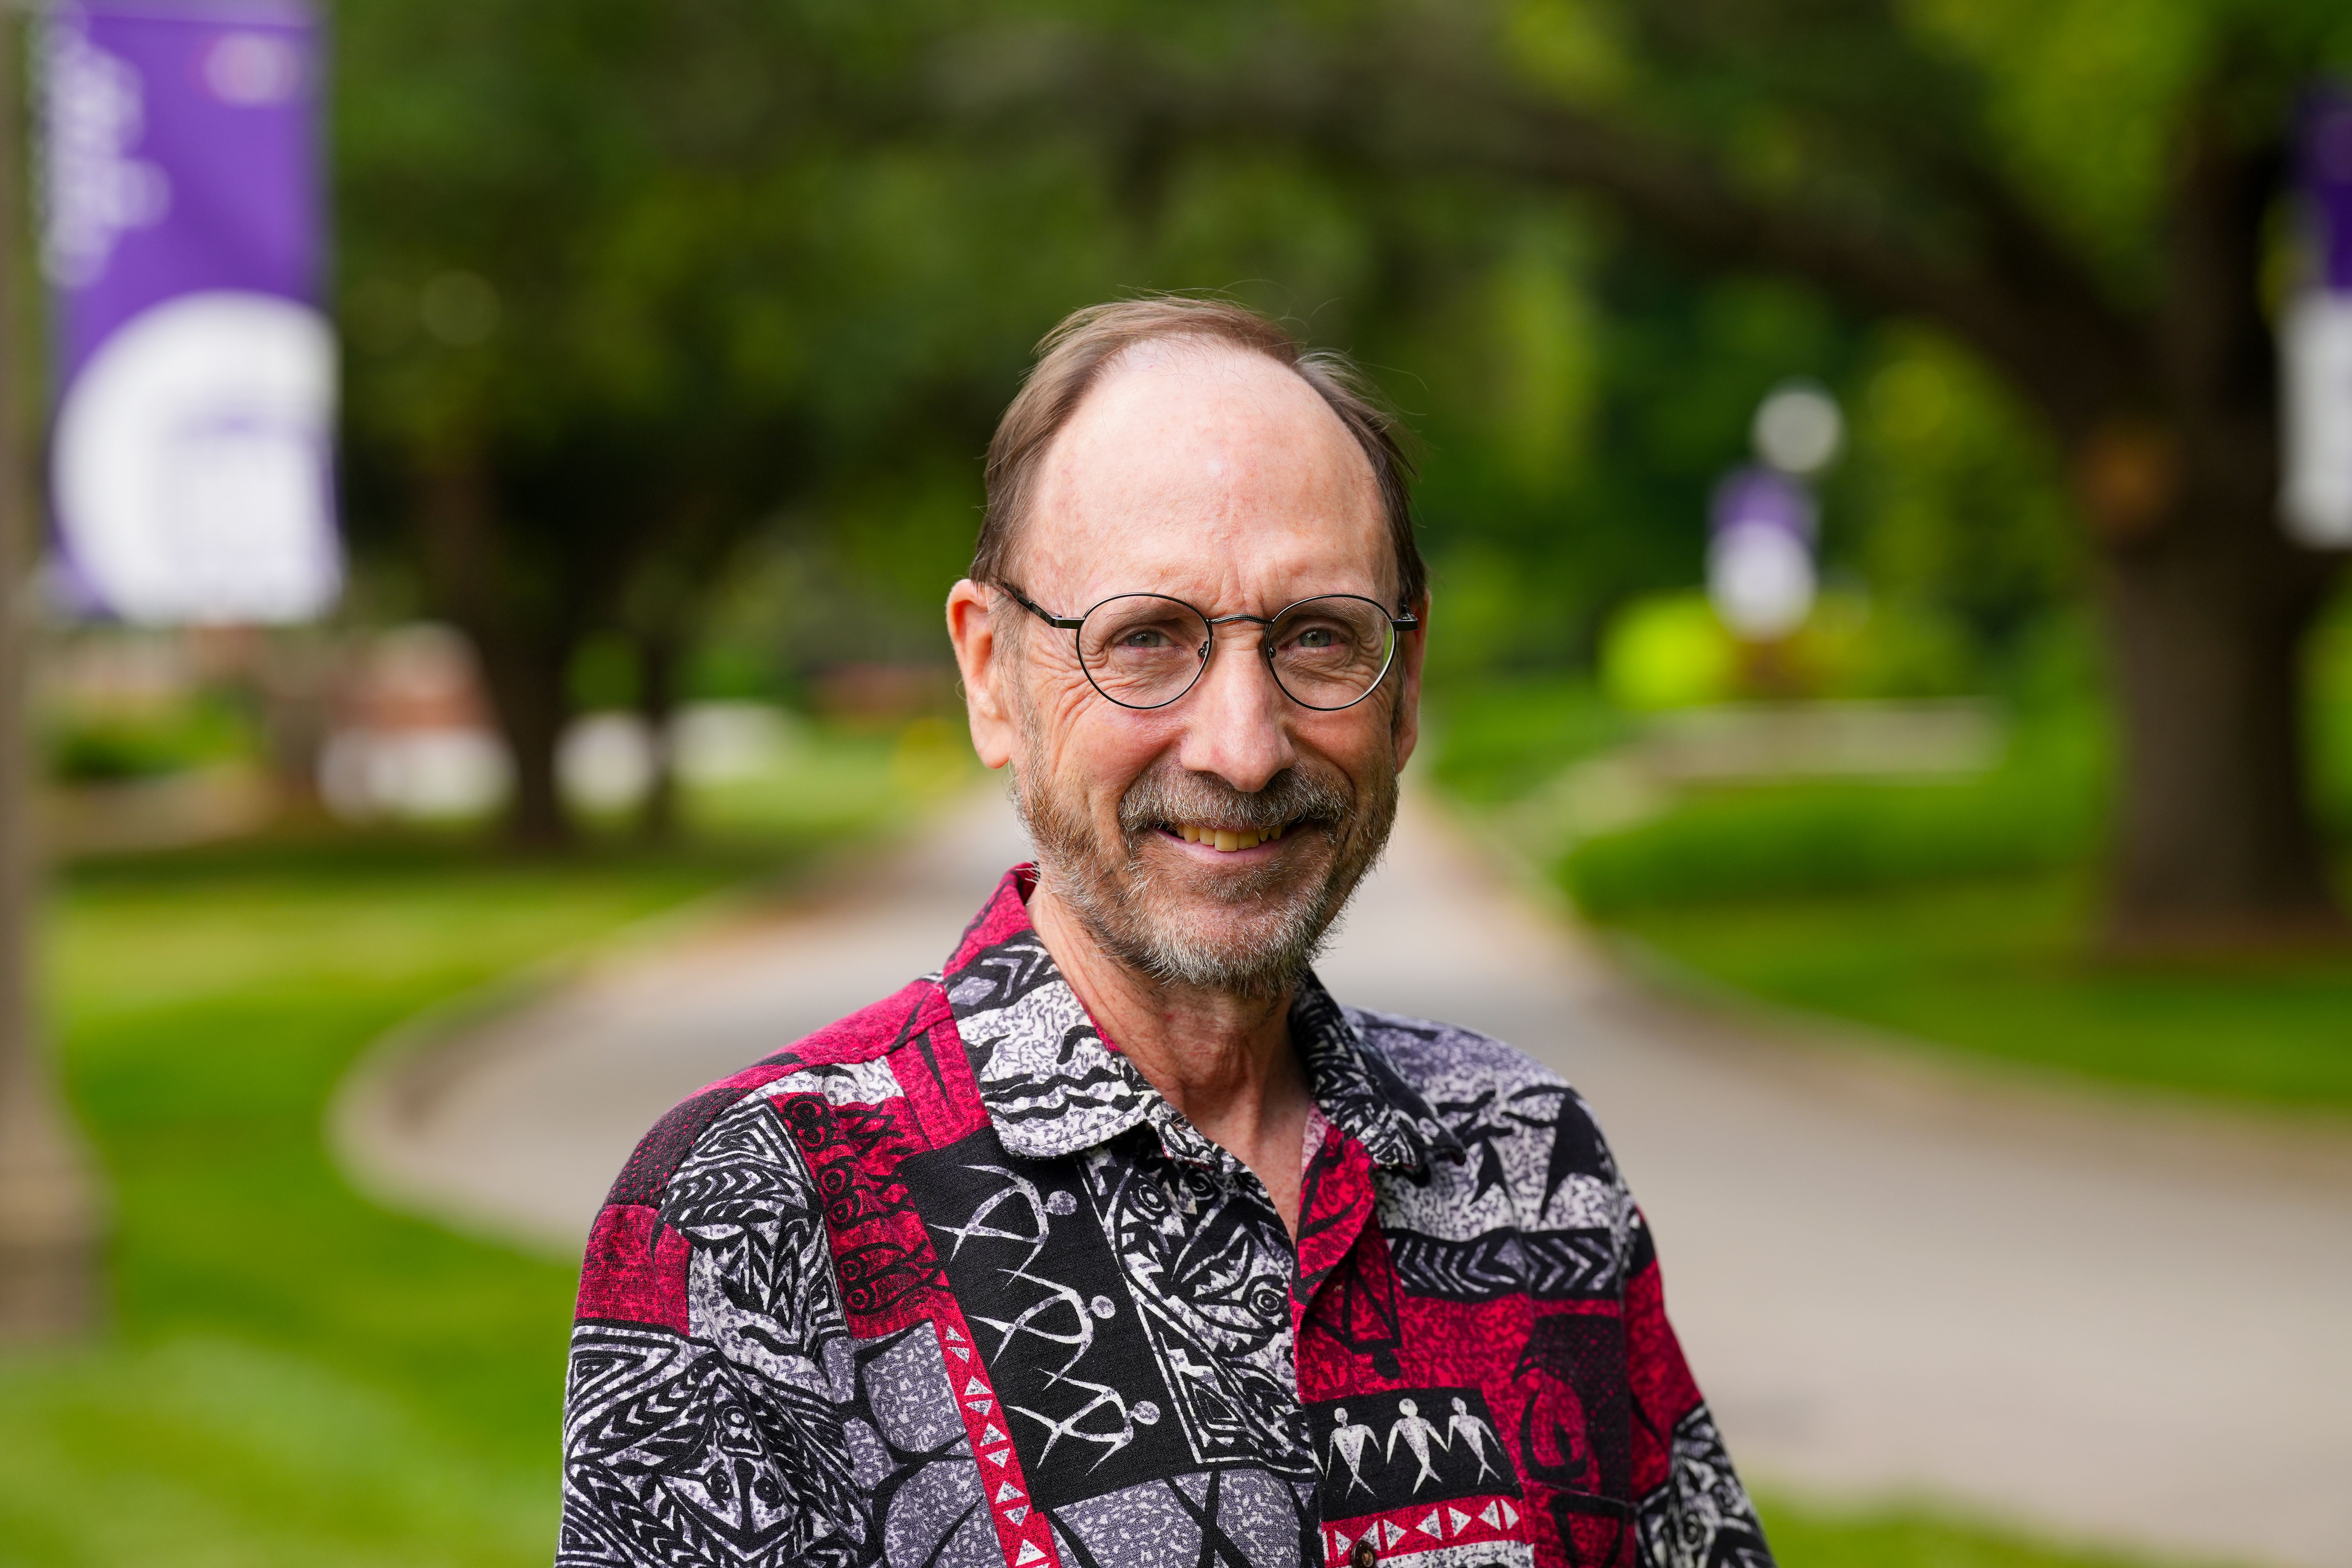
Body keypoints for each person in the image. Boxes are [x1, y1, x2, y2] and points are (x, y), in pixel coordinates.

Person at [557, 297, 1772, 1568]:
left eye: (1318, 639)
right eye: (1146, 640)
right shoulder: (754, 1212)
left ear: (1406, 684)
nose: (1242, 751)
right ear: (991, 676)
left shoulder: (1527, 1160)